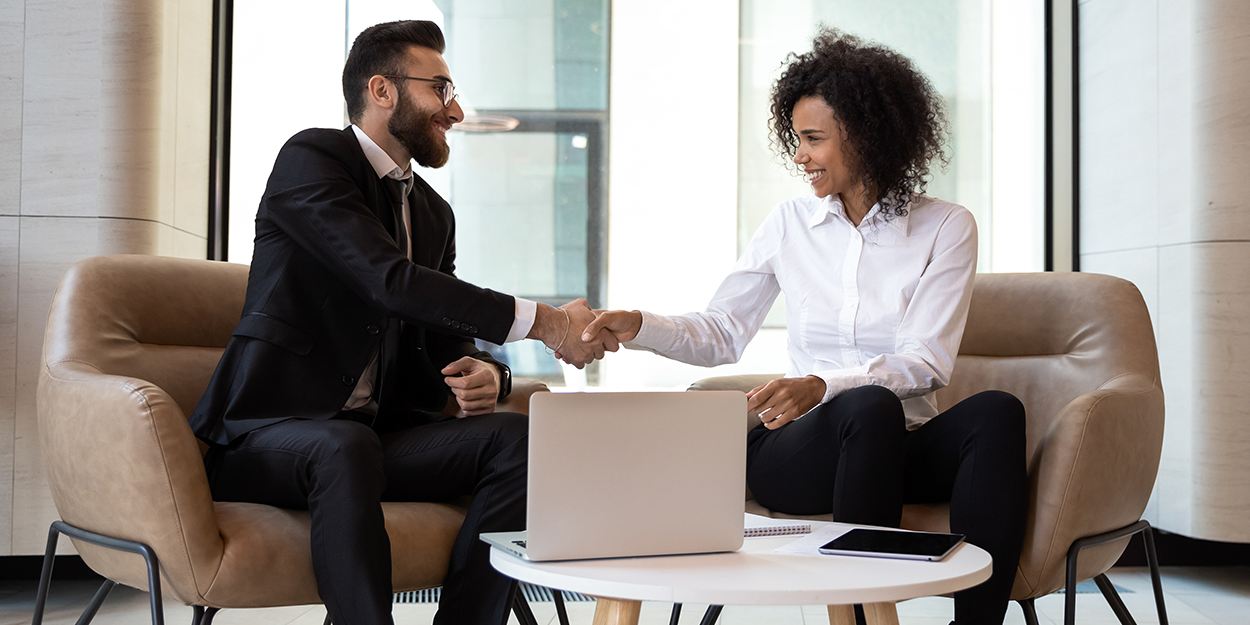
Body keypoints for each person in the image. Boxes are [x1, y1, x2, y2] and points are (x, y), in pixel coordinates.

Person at [584, 29, 1027, 625]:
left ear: (868, 136)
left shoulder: (946, 227)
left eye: (814, 139)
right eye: (796, 139)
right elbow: (722, 332)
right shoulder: (788, 224)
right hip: (801, 452)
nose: (799, 157)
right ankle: (864, 616)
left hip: (898, 443)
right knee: (867, 406)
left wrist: (823, 382)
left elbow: (927, 363)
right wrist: (638, 324)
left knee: (996, 411)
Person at [188, 20, 611, 625]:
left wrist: (488, 372)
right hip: (267, 435)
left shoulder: (434, 215)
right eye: (440, 88)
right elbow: (387, 280)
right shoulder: (313, 159)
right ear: (383, 90)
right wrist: (544, 321)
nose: (456, 110)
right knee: (343, 444)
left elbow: (448, 338)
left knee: (520, 441)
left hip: (375, 439)